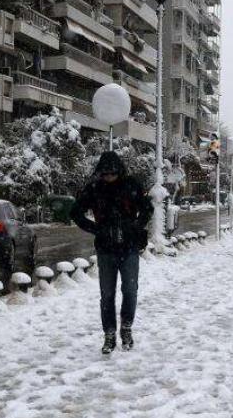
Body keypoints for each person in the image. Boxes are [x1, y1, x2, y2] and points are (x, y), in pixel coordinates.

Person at [70, 151, 153, 354]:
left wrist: (136, 226)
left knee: (130, 290)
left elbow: (147, 209)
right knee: (107, 294)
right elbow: (75, 212)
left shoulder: (131, 185)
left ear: (119, 171)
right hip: (106, 249)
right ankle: (109, 333)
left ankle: (126, 327)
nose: (108, 178)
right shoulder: (95, 188)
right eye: (105, 174)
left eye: (112, 174)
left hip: (129, 247)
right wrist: (96, 229)